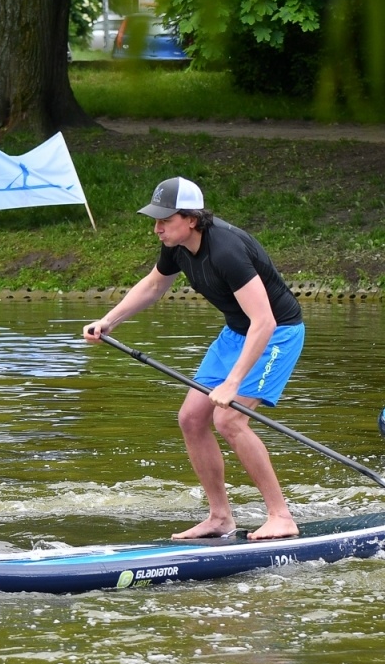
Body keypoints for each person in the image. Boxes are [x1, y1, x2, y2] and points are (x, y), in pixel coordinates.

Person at [84, 177, 305, 541]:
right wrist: (109, 321)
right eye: (155, 220)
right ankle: (220, 518)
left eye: (164, 220)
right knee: (190, 417)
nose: (157, 229)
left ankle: (281, 516)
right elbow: (155, 285)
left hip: (276, 334)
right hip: (237, 333)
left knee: (229, 419)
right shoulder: (176, 245)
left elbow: (264, 321)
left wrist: (232, 383)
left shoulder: (227, 251)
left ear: (191, 219)